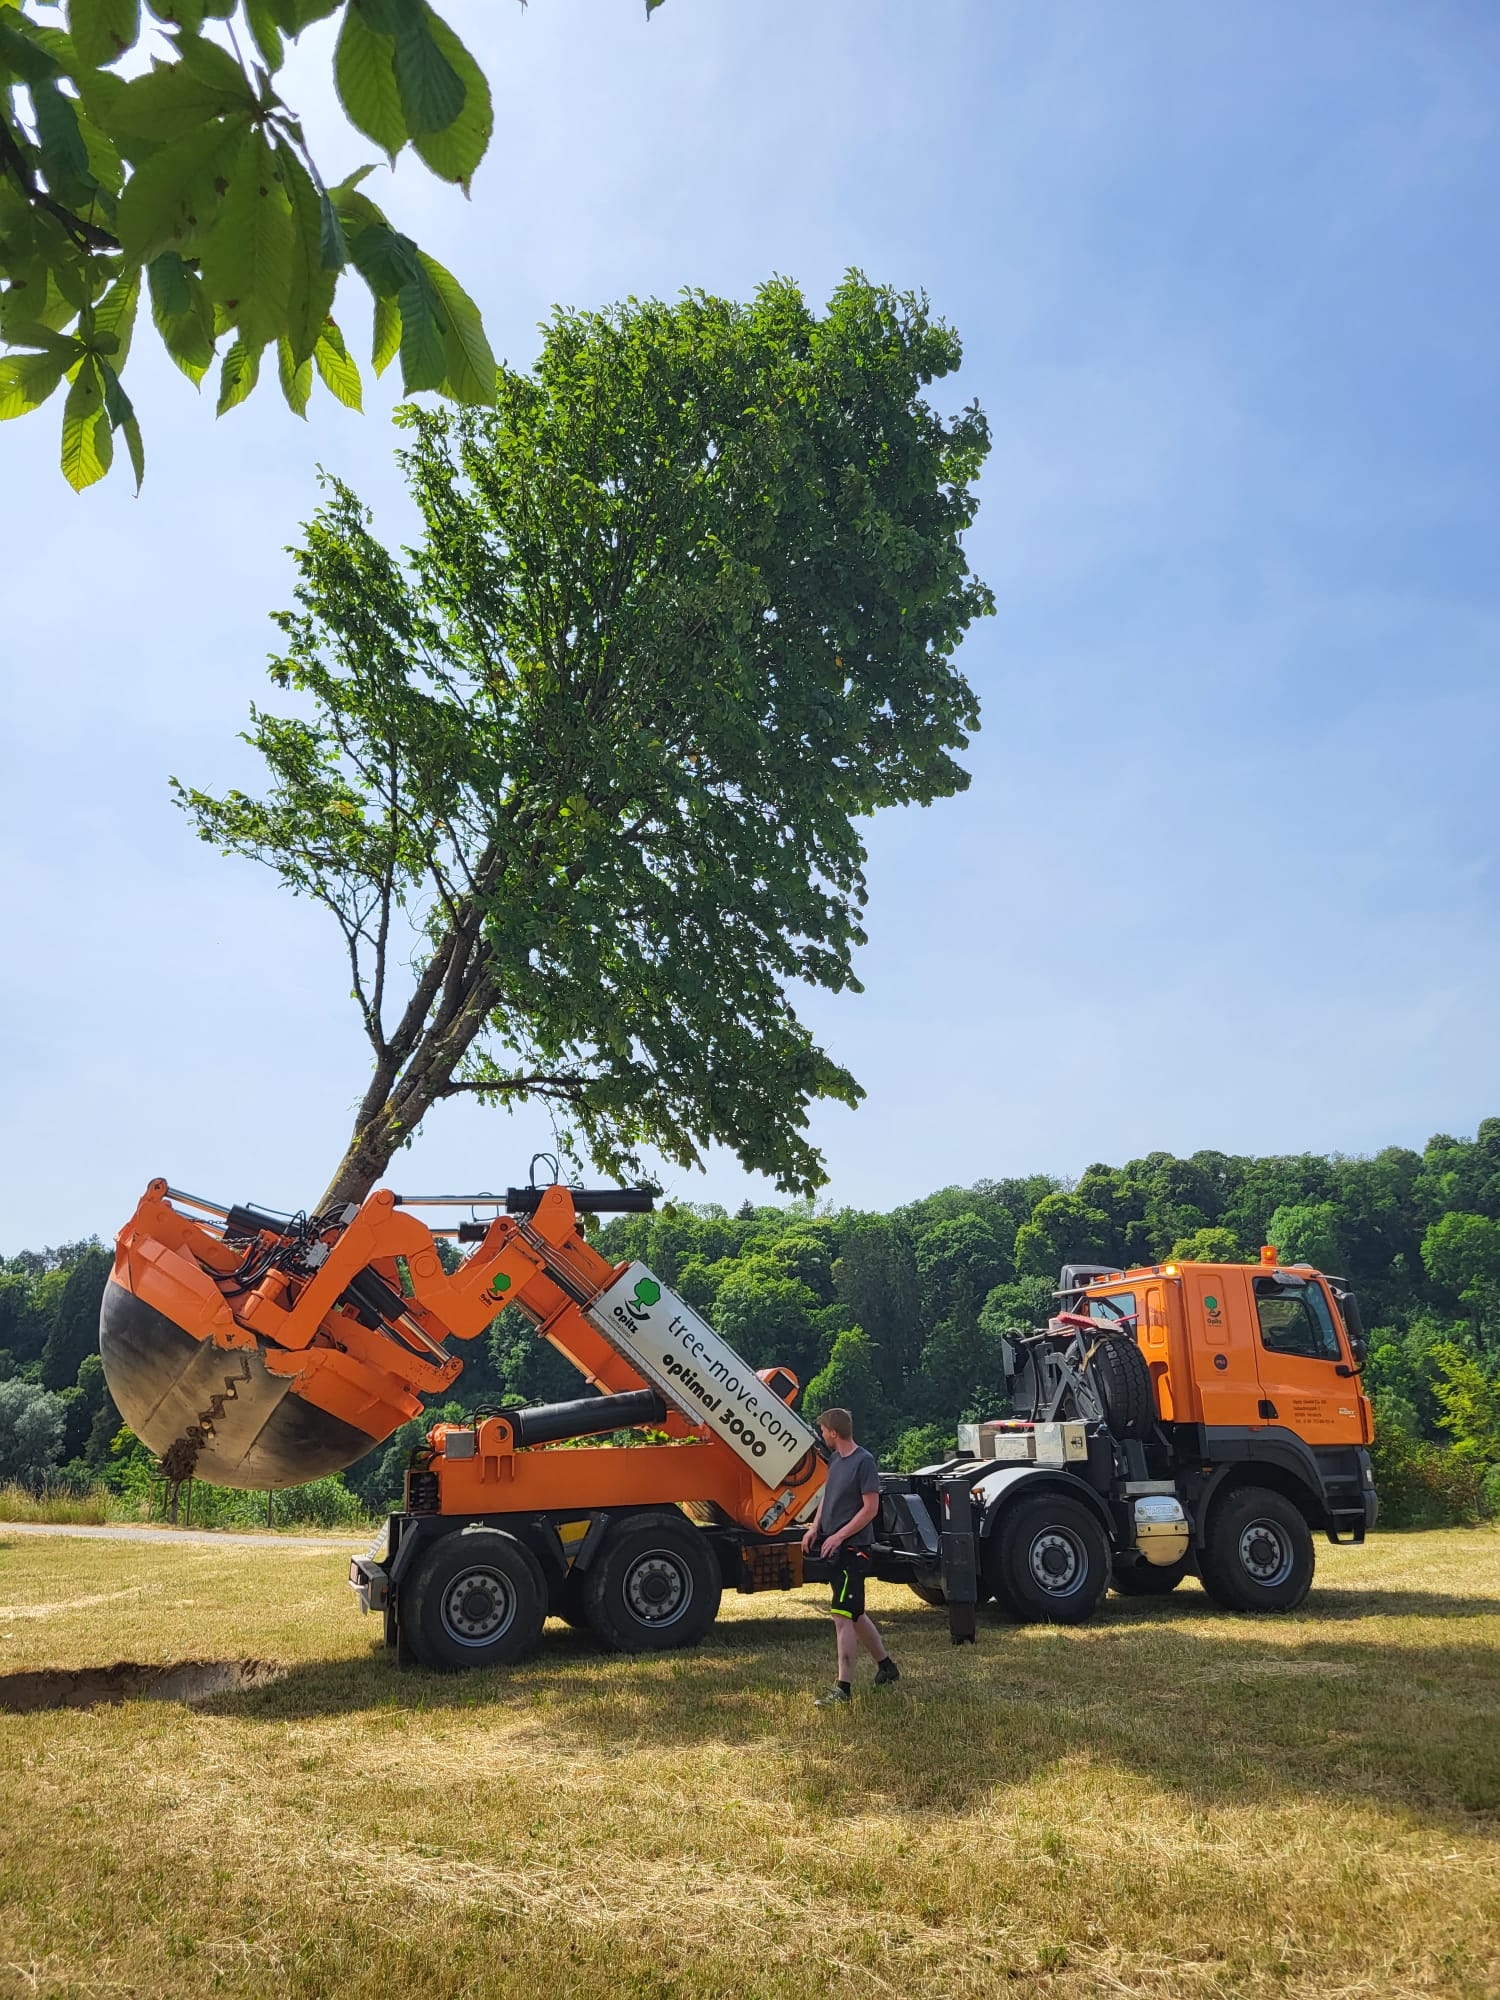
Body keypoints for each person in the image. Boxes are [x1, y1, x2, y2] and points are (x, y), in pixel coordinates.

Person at [801, 1406, 900, 1705]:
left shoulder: (864, 1461)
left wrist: (840, 1535)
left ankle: (843, 1690)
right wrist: (815, 1528)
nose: (821, 1435)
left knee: (841, 1615)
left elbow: (870, 1509)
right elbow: (826, 1498)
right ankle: (886, 1667)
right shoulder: (835, 1460)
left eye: (823, 1430)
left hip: (854, 1550)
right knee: (854, 1613)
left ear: (834, 1432)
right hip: (835, 1547)